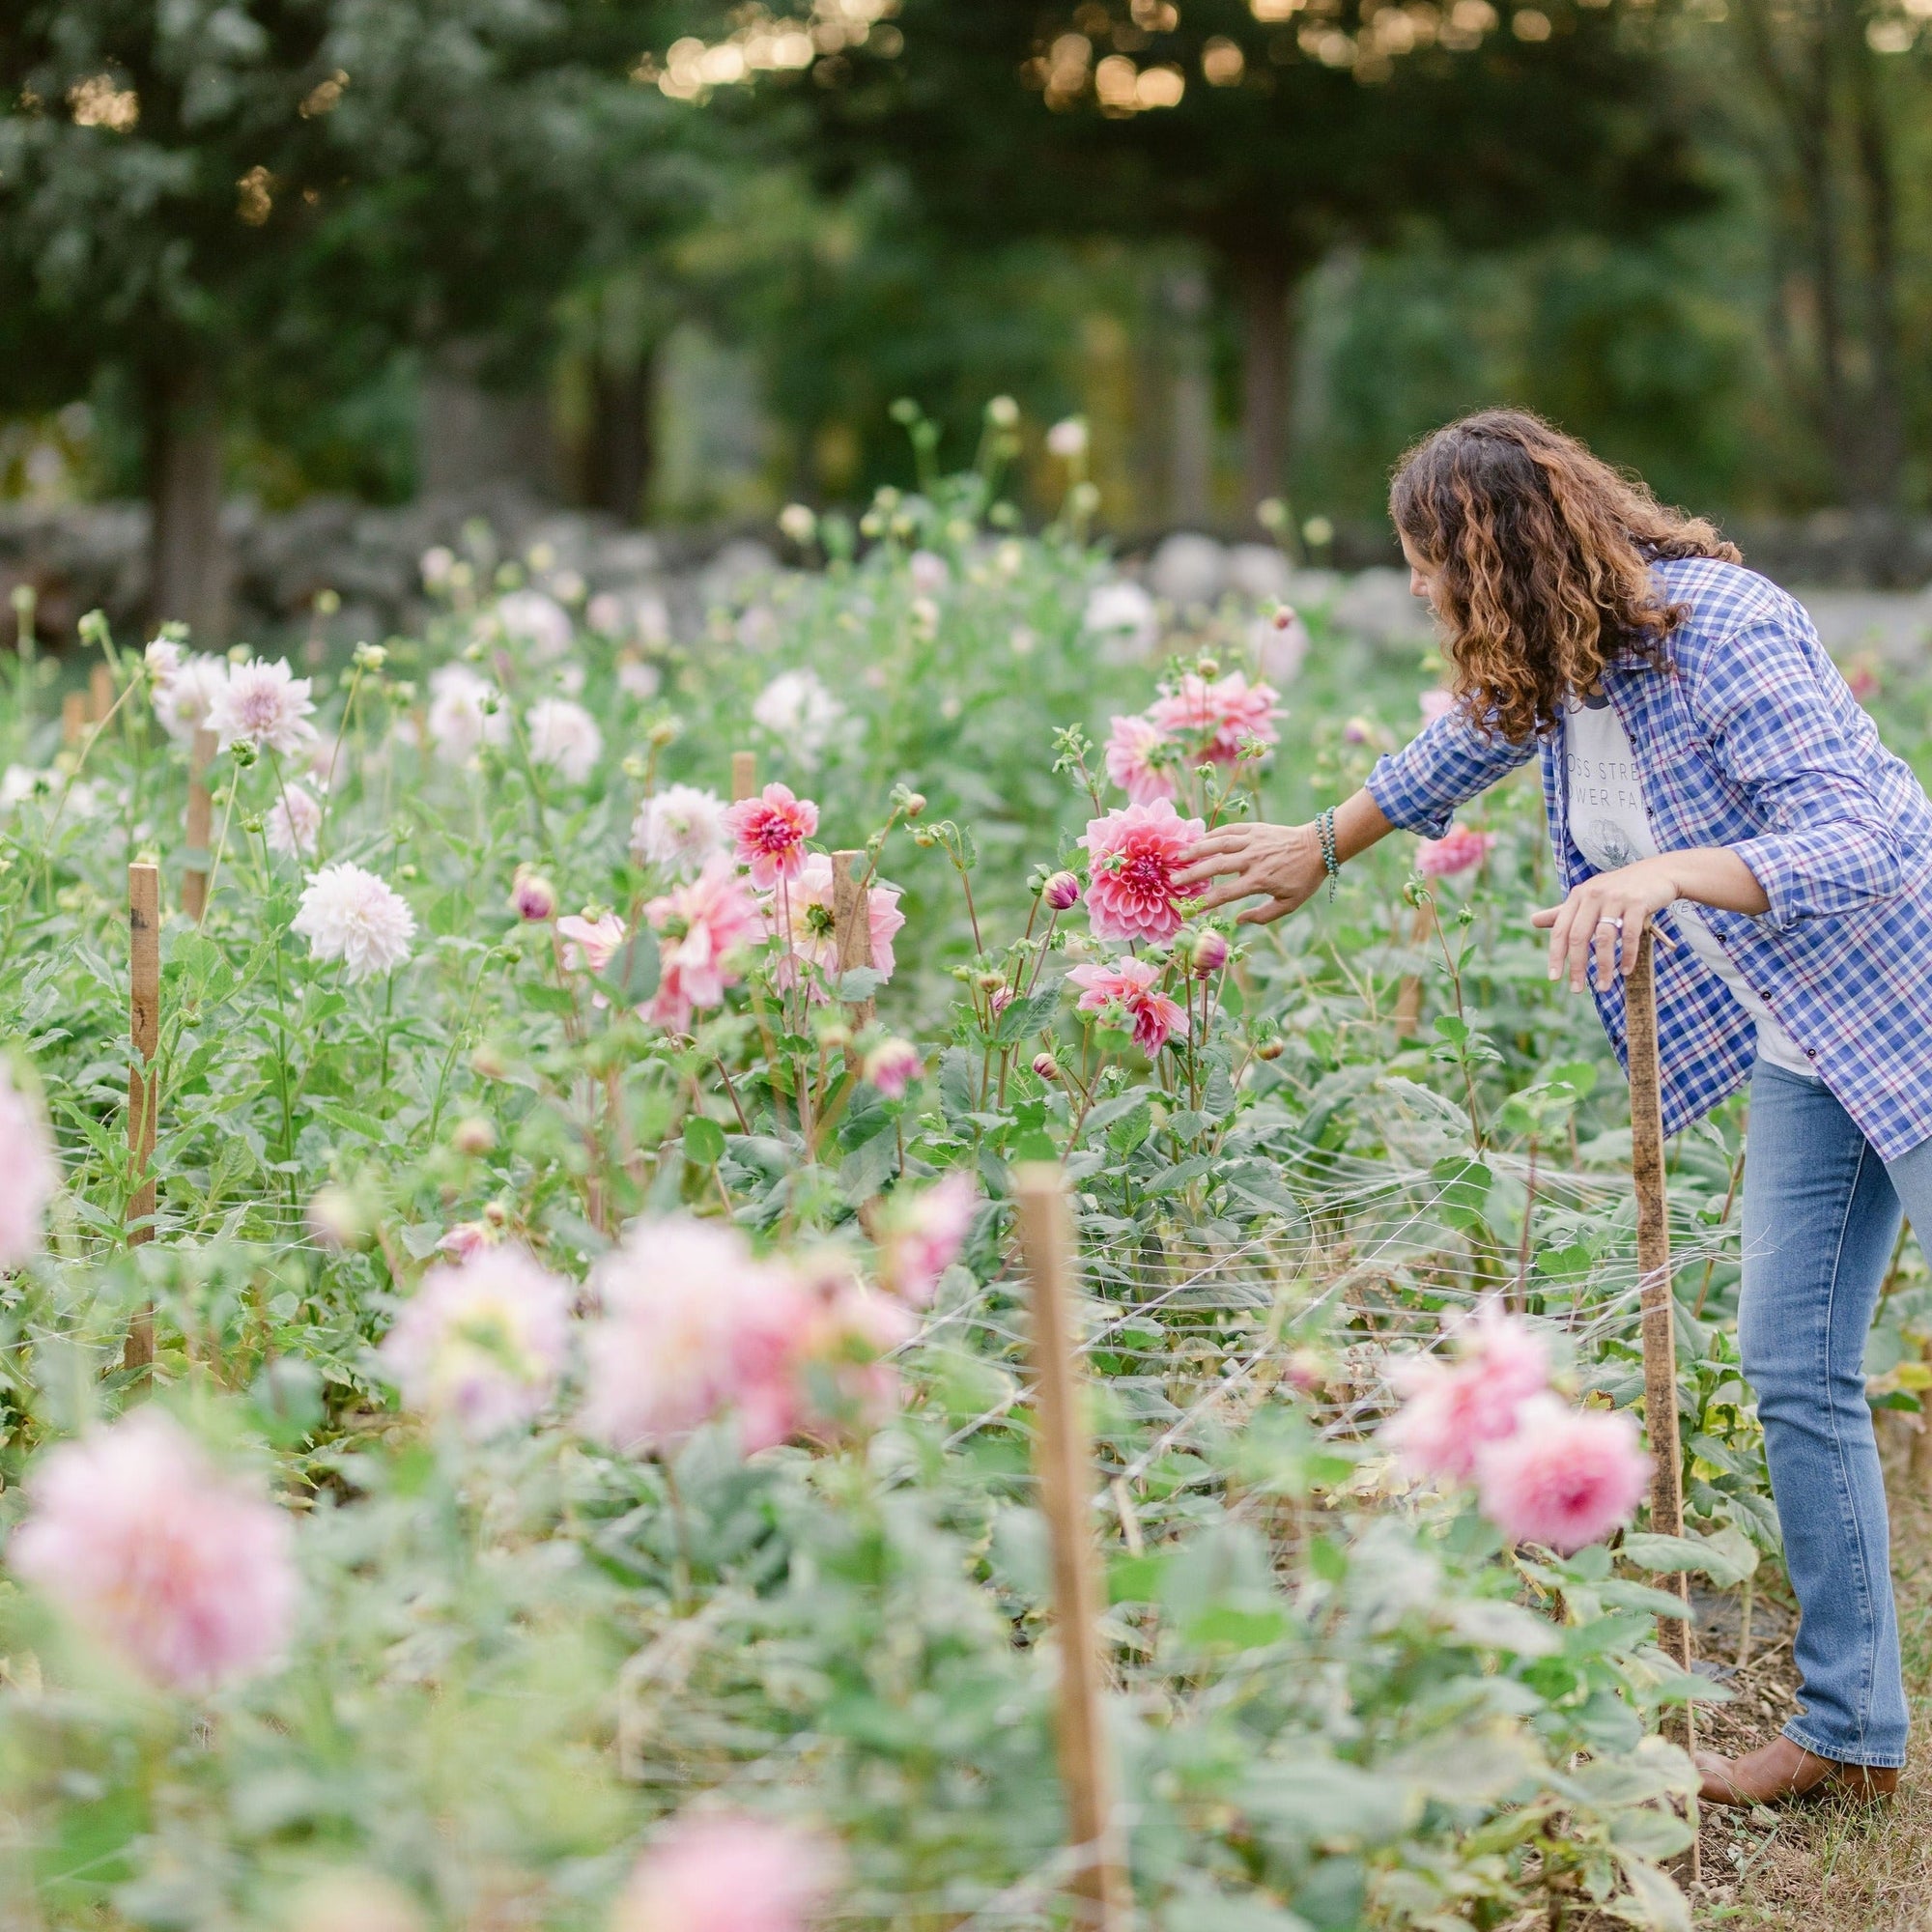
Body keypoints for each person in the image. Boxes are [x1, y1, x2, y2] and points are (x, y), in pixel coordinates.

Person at [1176, 408, 1932, 1807]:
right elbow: (1445, 756)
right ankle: (1850, 1734)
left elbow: (1868, 832)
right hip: (1804, 1047)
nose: (1415, 590)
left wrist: (1666, 874)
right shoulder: (1563, 661)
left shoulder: (1723, 626)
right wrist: (1311, 849)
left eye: (1427, 561)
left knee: (1804, 1370)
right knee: (1791, 1371)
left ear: (1500, 552)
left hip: (1909, 1011)